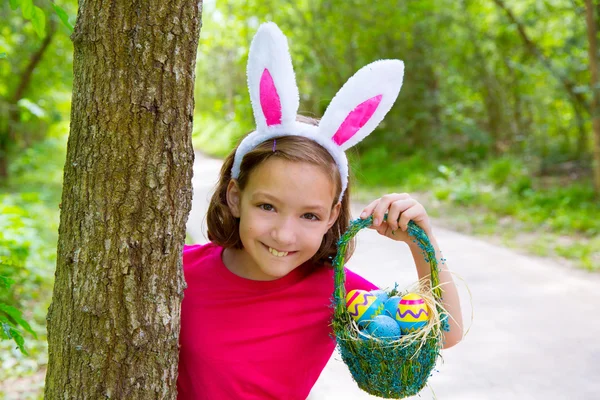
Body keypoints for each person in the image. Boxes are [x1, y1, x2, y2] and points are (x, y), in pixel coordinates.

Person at [177, 22, 463, 400]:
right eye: (267, 206)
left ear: (332, 216)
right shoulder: (179, 272)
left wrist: (421, 242)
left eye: (309, 215)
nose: (283, 234)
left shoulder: (334, 290)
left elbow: (444, 333)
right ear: (234, 197)